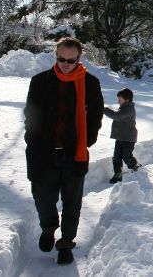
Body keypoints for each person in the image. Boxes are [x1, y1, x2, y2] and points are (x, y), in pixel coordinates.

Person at [24, 37, 103, 265]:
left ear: (79, 58)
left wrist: (86, 140)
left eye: (71, 60)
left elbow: (95, 115)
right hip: (44, 153)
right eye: (61, 59)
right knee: (43, 199)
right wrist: (32, 139)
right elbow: (31, 113)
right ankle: (48, 228)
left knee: (72, 203)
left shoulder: (90, 83)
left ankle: (66, 243)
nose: (66, 63)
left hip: (73, 154)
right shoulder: (40, 81)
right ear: (55, 55)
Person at [104, 88, 140, 184]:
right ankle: (117, 175)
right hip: (120, 138)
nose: (118, 101)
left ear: (127, 100)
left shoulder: (129, 109)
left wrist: (104, 109)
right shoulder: (124, 108)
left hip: (128, 139)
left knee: (126, 156)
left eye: (120, 99)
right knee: (116, 157)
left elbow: (117, 116)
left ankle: (135, 166)